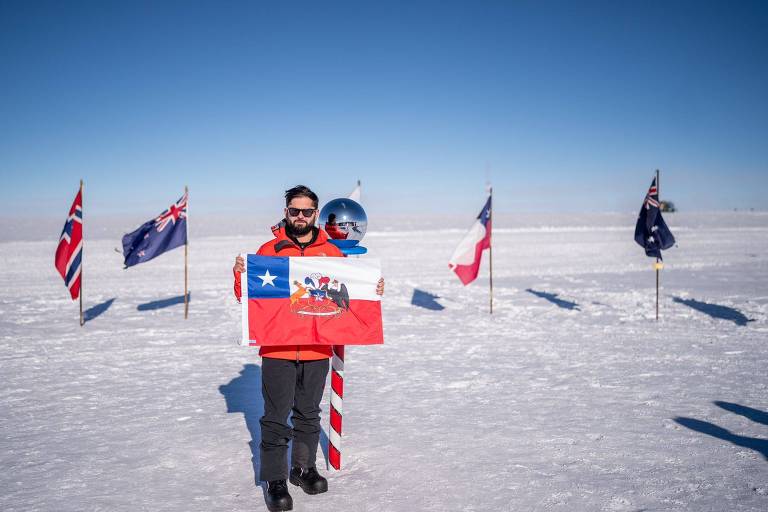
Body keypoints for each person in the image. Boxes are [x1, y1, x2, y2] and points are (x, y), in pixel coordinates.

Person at [233, 185, 384, 512]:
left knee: (308, 412)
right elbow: (247, 297)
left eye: (306, 211)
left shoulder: (331, 253)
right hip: (277, 349)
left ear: (316, 214)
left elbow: (348, 290)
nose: (300, 216)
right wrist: (240, 275)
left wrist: (372, 288)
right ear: (286, 211)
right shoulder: (269, 251)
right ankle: (275, 479)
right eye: (294, 210)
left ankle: (303, 468)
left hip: (317, 349)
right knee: (275, 416)